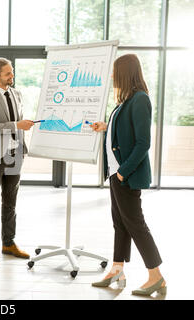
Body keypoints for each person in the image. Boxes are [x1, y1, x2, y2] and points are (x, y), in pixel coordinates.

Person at [90, 54, 166, 297]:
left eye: (115, 71)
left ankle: (156, 277)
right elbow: (122, 133)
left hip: (125, 175)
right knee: (120, 223)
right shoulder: (126, 100)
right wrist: (105, 128)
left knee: (136, 225)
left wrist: (123, 173)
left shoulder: (140, 99)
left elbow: (143, 143)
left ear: (125, 72)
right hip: (116, 173)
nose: (112, 76)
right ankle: (117, 269)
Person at [0, 57, 35, 265]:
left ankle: (8, 243)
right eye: (8, 73)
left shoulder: (17, 93)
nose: (12, 76)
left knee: (10, 202)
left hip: (15, 153)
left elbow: (17, 123)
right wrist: (16, 125)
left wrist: (22, 127)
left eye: (12, 72)